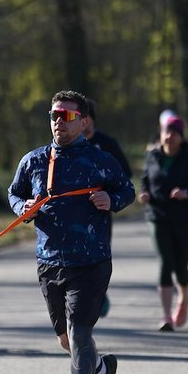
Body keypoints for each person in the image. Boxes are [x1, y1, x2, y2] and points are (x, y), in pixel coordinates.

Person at [8, 90, 135, 374]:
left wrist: (111, 200)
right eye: (53, 115)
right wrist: (24, 208)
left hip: (91, 262)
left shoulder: (100, 160)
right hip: (49, 262)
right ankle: (101, 369)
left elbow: (126, 190)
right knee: (67, 341)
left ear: (83, 122)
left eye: (66, 116)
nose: (57, 122)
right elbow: (14, 193)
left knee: (80, 335)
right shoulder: (33, 161)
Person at [138, 115, 188, 331]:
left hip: (185, 218)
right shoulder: (152, 155)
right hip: (157, 216)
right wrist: (144, 194)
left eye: (174, 133)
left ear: (181, 136)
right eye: (166, 132)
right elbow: (145, 180)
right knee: (165, 262)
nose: (169, 136)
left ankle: (184, 296)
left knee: (181, 266)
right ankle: (166, 315)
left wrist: (187, 192)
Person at [83, 98, 133, 318]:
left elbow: (125, 175)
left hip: (101, 211)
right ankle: (83, 296)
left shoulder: (107, 144)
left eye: (86, 120)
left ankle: (99, 293)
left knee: (99, 255)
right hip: (72, 213)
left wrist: (109, 195)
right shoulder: (63, 147)